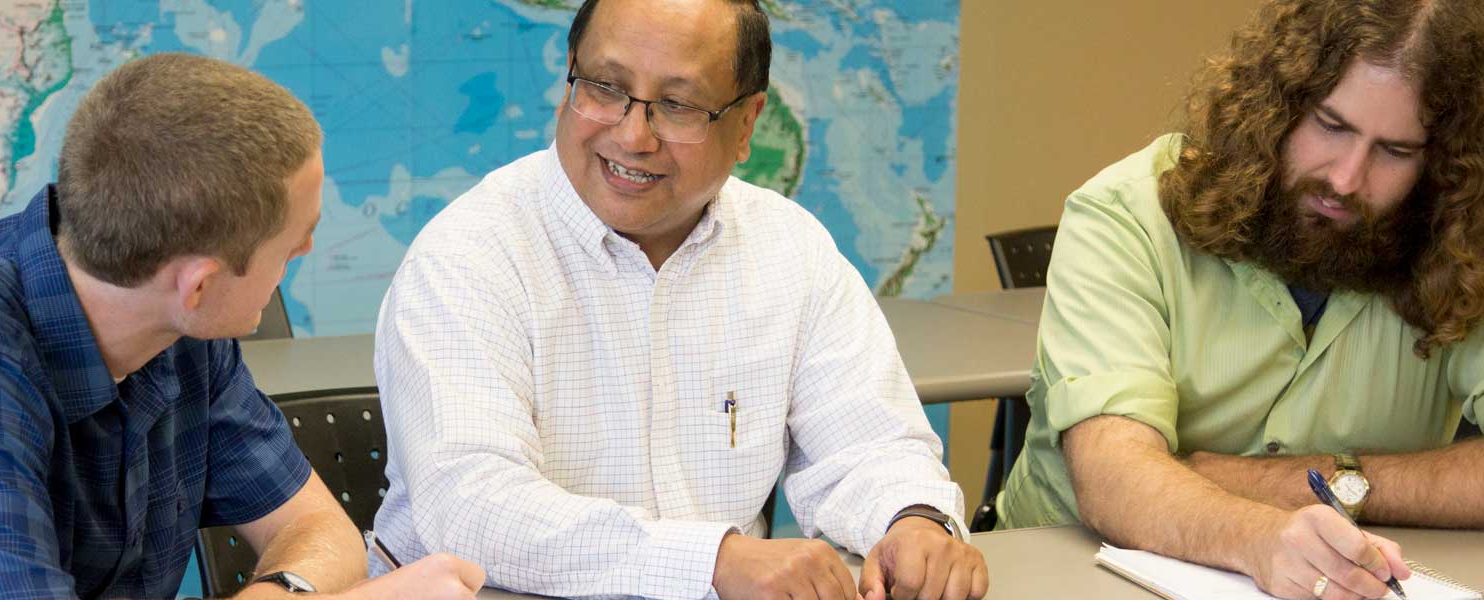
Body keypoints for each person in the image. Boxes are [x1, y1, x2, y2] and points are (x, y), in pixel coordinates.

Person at [368, 0, 987, 599]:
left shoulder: (790, 248)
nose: (633, 136)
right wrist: (711, 562)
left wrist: (913, 520)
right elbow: (472, 508)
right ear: (568, 80)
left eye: (678, 105)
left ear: (747, 124)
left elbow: (868, 444)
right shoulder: (468, 255)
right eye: (604, 88)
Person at [0, 53, 483, 599]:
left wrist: (282, 595)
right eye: (294, 239)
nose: (305, 248)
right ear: (198, 284)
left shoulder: (181, 328)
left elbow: (315, 525)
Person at [997, 0, 1484, 598]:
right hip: (1070, 572)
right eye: (1331, 126)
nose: (1346, 178)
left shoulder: (1458, 241)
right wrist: (1257, 537)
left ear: (1442, 161)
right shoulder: (1127, 212)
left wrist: (1321, 483)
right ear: (1275, 107)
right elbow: (1111, 472)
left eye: (1396, 152)